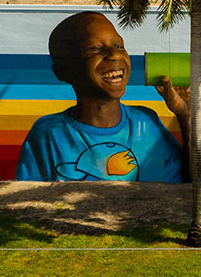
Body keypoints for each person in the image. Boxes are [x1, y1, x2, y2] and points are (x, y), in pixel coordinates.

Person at [15, 11, 190, 182]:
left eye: (119, 46)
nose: (115, 55)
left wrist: (186, 115)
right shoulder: (48, 134)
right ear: (64, 71)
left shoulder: (147, 123)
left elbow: (194, 189)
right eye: (95, 49)